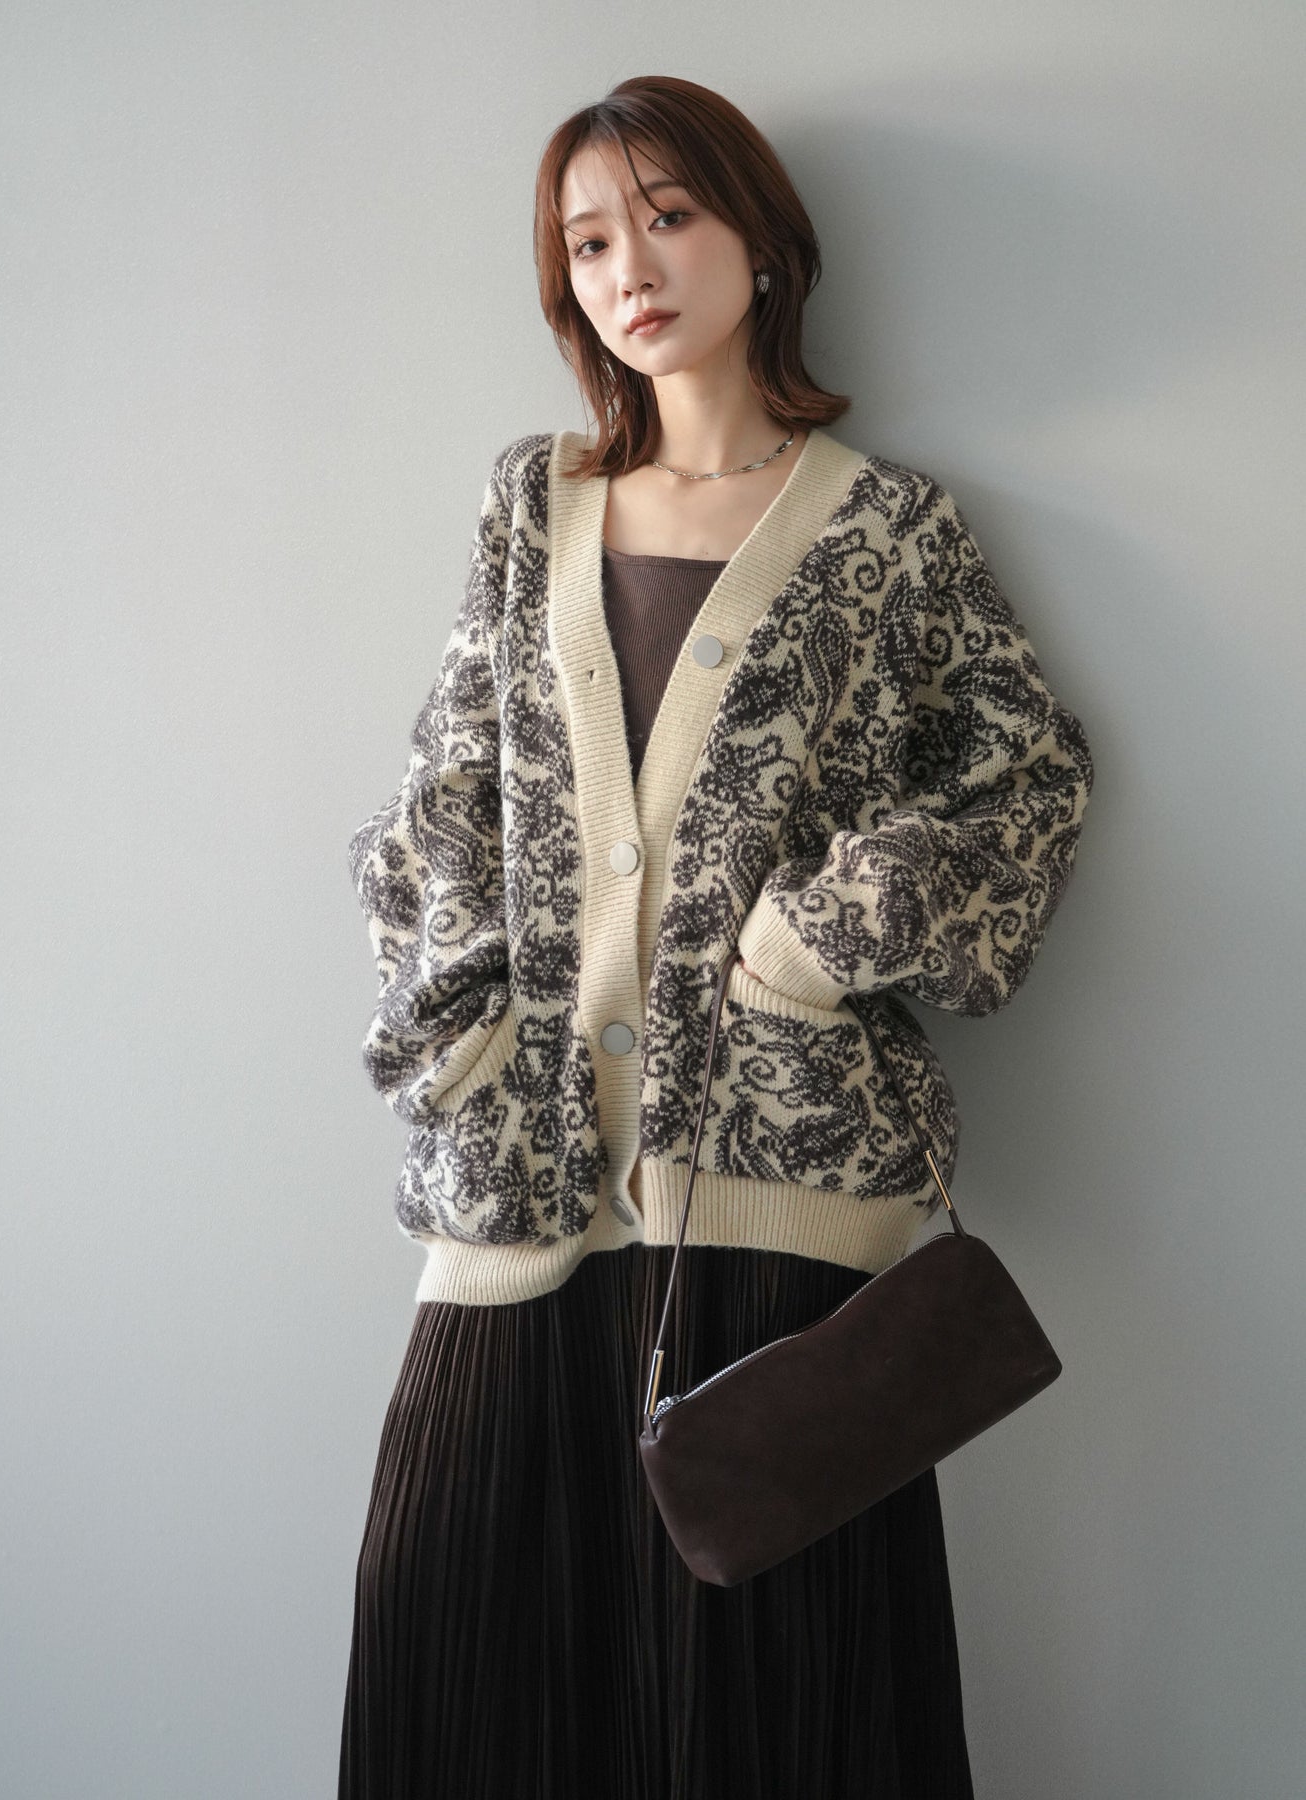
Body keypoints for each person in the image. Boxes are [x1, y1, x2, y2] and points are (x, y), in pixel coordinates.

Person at [338, 74, 1095, 1800]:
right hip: (523, 1182)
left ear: (762, 243)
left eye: (668, 218)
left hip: (779, 1197)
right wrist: (459, 1036)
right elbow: (443, 796)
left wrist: (820, 940)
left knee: (767, 1707)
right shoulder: (529, 508)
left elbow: (1025, 779)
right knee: (455, 1658)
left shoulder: (887, 532)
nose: (630, 268)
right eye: (587, 241)